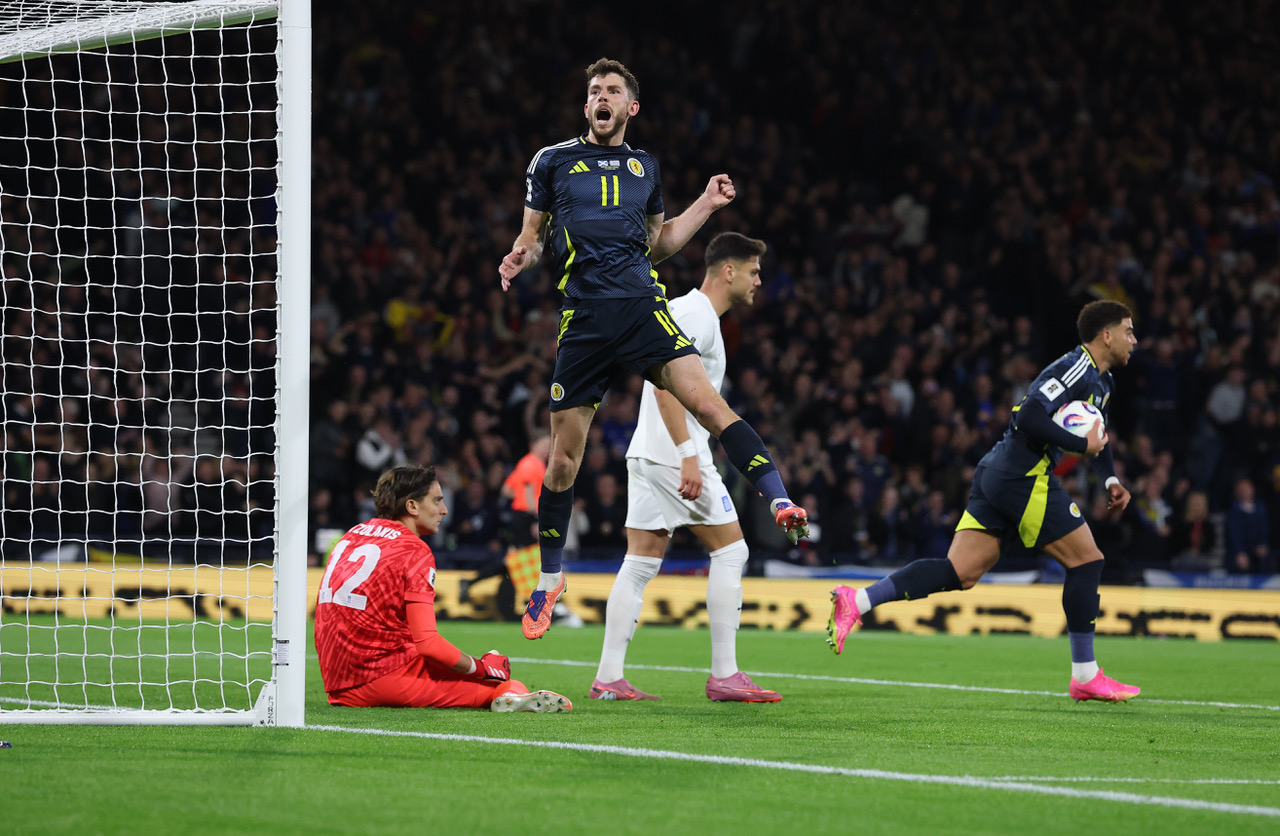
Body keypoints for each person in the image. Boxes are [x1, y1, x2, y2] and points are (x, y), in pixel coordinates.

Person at [498, 58, 809, 640]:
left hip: (643, 307)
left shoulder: (646, 167)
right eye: (594, 90)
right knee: (563, 459)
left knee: (711, 407)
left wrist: (707, 206)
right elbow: (531, 237)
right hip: (585, 317)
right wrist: (520, 255)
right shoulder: (552, 161)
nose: (601, 96)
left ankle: (779, 499)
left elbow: (657, 244)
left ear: (630, 107)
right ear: (587, 105)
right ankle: (550, 577)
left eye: (612, 90)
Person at [827, 300, 1142, 703]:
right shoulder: (1074, 367)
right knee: (1087, 560)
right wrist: (1079, 444)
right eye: (1129, 331)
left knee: (960, 572)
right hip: (1021, 475)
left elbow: (1101, 437)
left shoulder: (1104, 383)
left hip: (1000, 471)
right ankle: (1085, 674)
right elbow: (1029, 415)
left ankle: (859, 600)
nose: (1134, 340)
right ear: (1107, 335)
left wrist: (1111, 479)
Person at [591, 232, 782, 703]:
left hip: (648, 451)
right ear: (729, 271)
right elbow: (663, 385)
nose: (760, 281)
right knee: (732, 552)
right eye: (754, 271)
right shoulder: (696, 313)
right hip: (673, 454)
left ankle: (608, 677)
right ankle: (724, 674)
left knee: (638, 564)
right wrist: (687, 453)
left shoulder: (689, 312)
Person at [314, 464, 572, 713]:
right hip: (382, 679)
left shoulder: (351, 535)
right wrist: (482, 669)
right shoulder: (413, 550)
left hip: (337, 682)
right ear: (412, 506)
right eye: (437, 500)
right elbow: (428, 644)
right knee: (497, 685)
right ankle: (510, 693)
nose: (445, 510)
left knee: (473, 668)